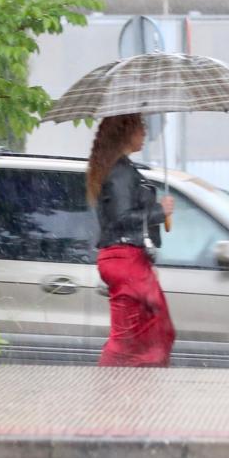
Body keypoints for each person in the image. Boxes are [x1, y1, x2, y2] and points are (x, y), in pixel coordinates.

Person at [87, 113, 176, 367]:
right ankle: (113, 390)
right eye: (141, 127)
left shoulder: (120, 168)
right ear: (126, 132)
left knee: (152, 331)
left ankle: (135, 391)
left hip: (129, 258)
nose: (145, 133)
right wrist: (160, 212)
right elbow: (120, 217)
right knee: (133, 338)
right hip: (124, 258)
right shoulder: (119, 172)